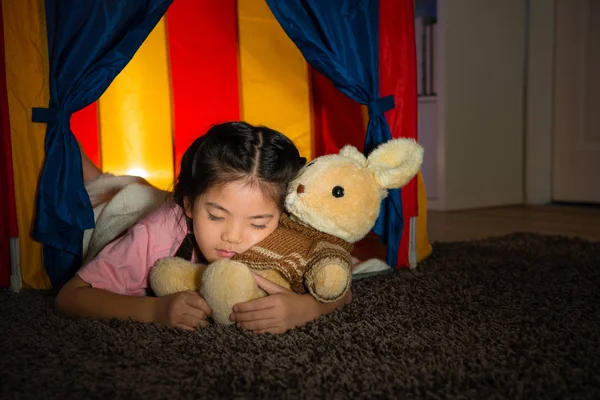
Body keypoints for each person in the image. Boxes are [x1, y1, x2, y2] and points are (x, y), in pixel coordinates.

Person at [56, 121, 351, 334]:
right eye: (216, 216)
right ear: (189, 205)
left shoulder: (289, 232)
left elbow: (339, 287)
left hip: (160, 197)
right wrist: (154, 311)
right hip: (118, 212)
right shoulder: (153, 235)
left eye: (258, 223)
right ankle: (86, 167)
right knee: (106, 191)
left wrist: (308, 308)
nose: (232, 237)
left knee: (134, 187)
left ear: (282, 216)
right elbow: (70, 297)